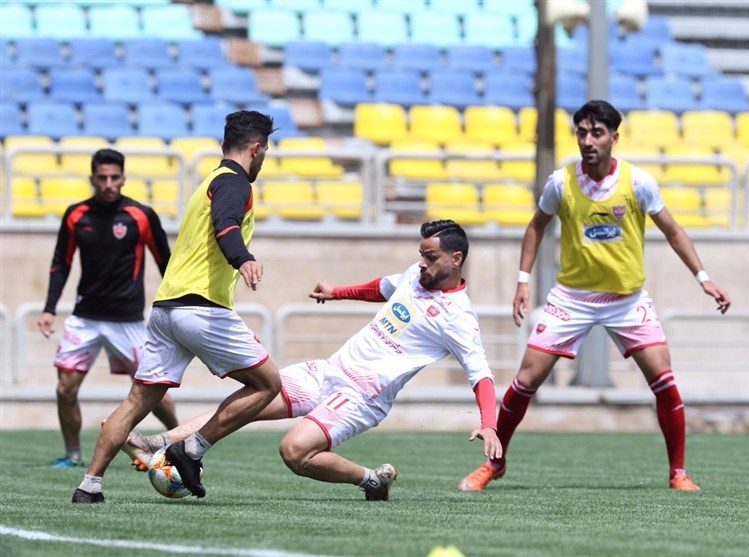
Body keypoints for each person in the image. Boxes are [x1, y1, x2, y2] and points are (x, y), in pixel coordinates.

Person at [458, 100, 732, 493]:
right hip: (572, 298)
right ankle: (494, 464)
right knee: (525, 379)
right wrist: (522, 280)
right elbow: (536, 227)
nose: (588, 141)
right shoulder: (561, 183)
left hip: (627, 299)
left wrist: (703, 278)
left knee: (665, 381)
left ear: (614, 138)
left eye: (597, 133)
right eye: (582, 133)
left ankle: (678, 473)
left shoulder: (638, 182)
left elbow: (673, 231)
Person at [120, 220, 502, 501]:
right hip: (329, 371)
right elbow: (382, 288)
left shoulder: (458, 317)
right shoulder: (415, 276)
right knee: (254, 394)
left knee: (293, 451)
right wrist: (337, 292)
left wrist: (488, 424)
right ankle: (160, 442)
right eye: (420, 255)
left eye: (430, 257)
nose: (421, 263)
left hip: (362, 397)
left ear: (456, 259)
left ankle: (371, 479)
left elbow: (481, 375)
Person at [72, 110, 283, 503]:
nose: (264, 159)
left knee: (136, 402)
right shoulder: (234, 183)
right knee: (269, 384)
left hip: (166, 309)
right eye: (266, 152)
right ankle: (191, 449)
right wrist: (243, 258)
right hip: (201, 309)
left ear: (223, 145)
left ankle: (89, 486)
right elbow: (226, 224)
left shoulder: (208, 182)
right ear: (256, 149)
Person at [38, 148, 178, 469]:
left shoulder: (141, 215)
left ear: (124, 178)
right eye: (102, 178)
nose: (109, 184)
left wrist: (175, 307)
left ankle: (180, 442)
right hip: (84, 319)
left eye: (115, 177)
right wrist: (49, 309)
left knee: (155, 393)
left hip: (128, 322)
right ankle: (72, 455)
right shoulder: (76, 215)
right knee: (65, 388)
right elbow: (61, 263)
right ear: (92, 179)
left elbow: (166, 263)